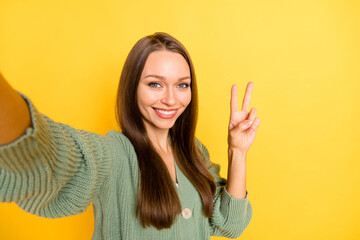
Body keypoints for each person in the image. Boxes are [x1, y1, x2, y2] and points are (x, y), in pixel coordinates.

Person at [0, 32, 260, 239]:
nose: (171, 99)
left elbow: (230, 224)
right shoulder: (113, 154)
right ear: (132, 87)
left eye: (182, 85)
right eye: (155, 84)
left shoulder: (193, 151)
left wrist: (237, 152)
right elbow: (54, 154)